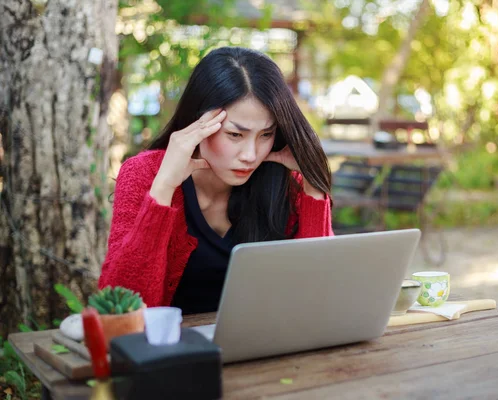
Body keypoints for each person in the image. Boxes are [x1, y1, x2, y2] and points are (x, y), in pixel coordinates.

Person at [98, 47, 333, 313]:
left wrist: (313, 187)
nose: (251, 155)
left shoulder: (284, 180)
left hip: (265, 348)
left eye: (266, 134)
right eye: (235, 135)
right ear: (199, 122)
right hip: (170, 350)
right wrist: (162, 190)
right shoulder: (146, 174)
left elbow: (317, 299)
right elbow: (119, 310)